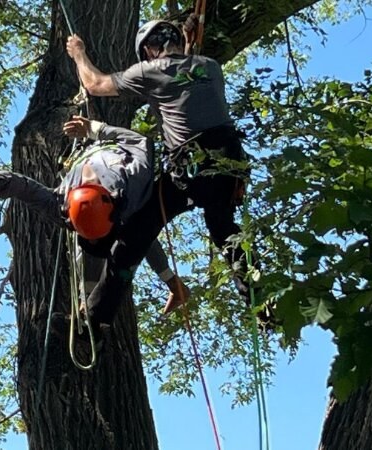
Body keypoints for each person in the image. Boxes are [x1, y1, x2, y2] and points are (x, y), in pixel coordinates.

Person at [64, 16, 272, 330]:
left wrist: (78, 52)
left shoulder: (150, 71)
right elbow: (187, 78)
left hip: (189, 168)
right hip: (230, 165)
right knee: (225, 232)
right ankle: (263, 305)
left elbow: (94, 85)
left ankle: (94, 321)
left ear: (148, 48)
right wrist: (187, 45)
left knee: (134, 237)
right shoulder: (210, 68)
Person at [0, 115, 190, 323]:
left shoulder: (127, 185)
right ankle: (89, 304)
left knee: (137, 228)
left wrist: (96, 129)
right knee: (131, 229)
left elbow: (24, 189)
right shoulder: (70, 205)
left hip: (111, 155)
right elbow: (24, 188)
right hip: (98, 159)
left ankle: (89, 305)